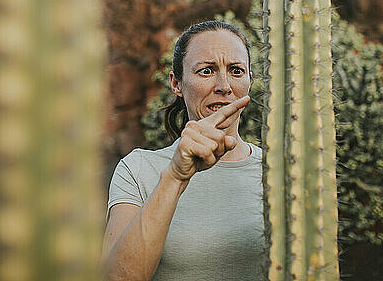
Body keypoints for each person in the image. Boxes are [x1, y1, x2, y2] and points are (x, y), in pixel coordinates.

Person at [101, 20, 264, 281]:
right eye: (206, 71)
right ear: (176, 83)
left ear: (249, 81)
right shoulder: (138, 169)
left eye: (236, 70)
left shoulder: (277, 171)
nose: (224, 85)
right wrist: (176, 176)